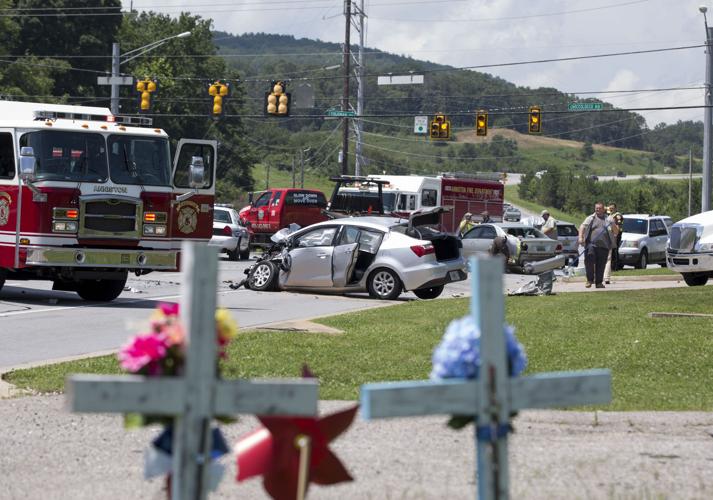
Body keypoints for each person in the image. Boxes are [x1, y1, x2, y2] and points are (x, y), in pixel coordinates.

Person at [578, 201, 618, 289]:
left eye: (599, 208)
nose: (597, 210)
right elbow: (582, 226)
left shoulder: (608, 219)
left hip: (604, 246)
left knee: (601, 264)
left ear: (603, 209)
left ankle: (599, 282)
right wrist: (581, 237)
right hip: (591, 244)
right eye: (596, 208)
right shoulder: (590, 218)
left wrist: (612, 223)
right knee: (589, 259)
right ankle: (589, 280)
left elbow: (616, 232)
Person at [603, 203, 624, 284]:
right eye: (610, 208)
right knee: (611, 254)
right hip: (609, 235)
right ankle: (612, 267)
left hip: (616, 235)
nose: (610, 209)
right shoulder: (610, 215)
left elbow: (618, 226)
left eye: (612, 208)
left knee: (614, 252)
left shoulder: (617, 215)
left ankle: (615, 267)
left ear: (615, 208)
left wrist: (615, 236)